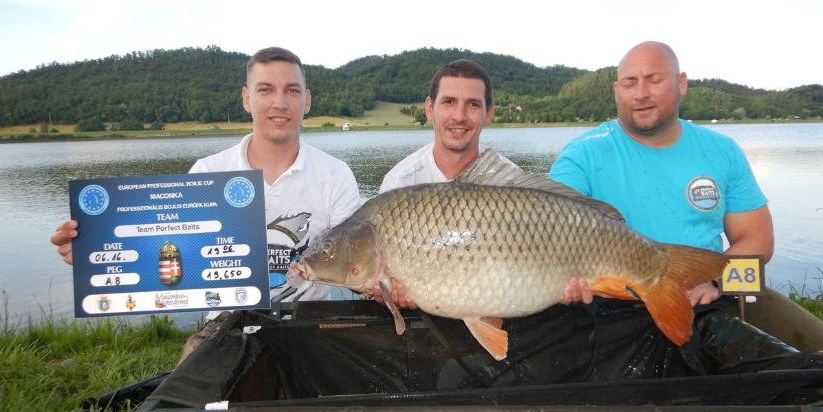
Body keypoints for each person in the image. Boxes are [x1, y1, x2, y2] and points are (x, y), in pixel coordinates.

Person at [52, 46, 361, 304]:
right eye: (265, 90)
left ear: (306, 100)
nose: (279, 102)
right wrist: (97, 255)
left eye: (291, 91)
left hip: (309, 324)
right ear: (246, 98)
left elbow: (358, 262)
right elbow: (175, 257)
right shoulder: (208, 172)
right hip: (227, 322)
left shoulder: (335, 175)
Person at [548, 41, 774, 306]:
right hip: (612, 303)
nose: (641, 94)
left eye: (654, 80)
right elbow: (548, 231)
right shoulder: (582, 155)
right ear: (617, 90)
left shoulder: (722, 150)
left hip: (704, 296)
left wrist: (715, 280)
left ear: (681, 83)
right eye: (630, 83)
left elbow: (758, 238)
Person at [376, 59, 520, 308]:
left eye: (473, 104)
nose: (459, 116)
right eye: (449, 102)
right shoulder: (400, 183)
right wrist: (380, 291)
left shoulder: (511, 181)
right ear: (430, 108)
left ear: (489, 114)